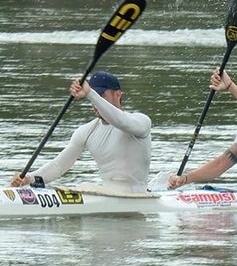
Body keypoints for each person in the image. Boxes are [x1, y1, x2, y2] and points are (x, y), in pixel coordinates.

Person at [11, 71, 151, 192]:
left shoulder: (141, 122)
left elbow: (120, 121)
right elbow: (60, 165)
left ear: (118, 94)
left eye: (101, 95)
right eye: (93, 96)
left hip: (137, 195)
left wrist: (90, 93)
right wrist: (29, 179)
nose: (96, 102)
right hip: (106, 194)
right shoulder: (86, 131)